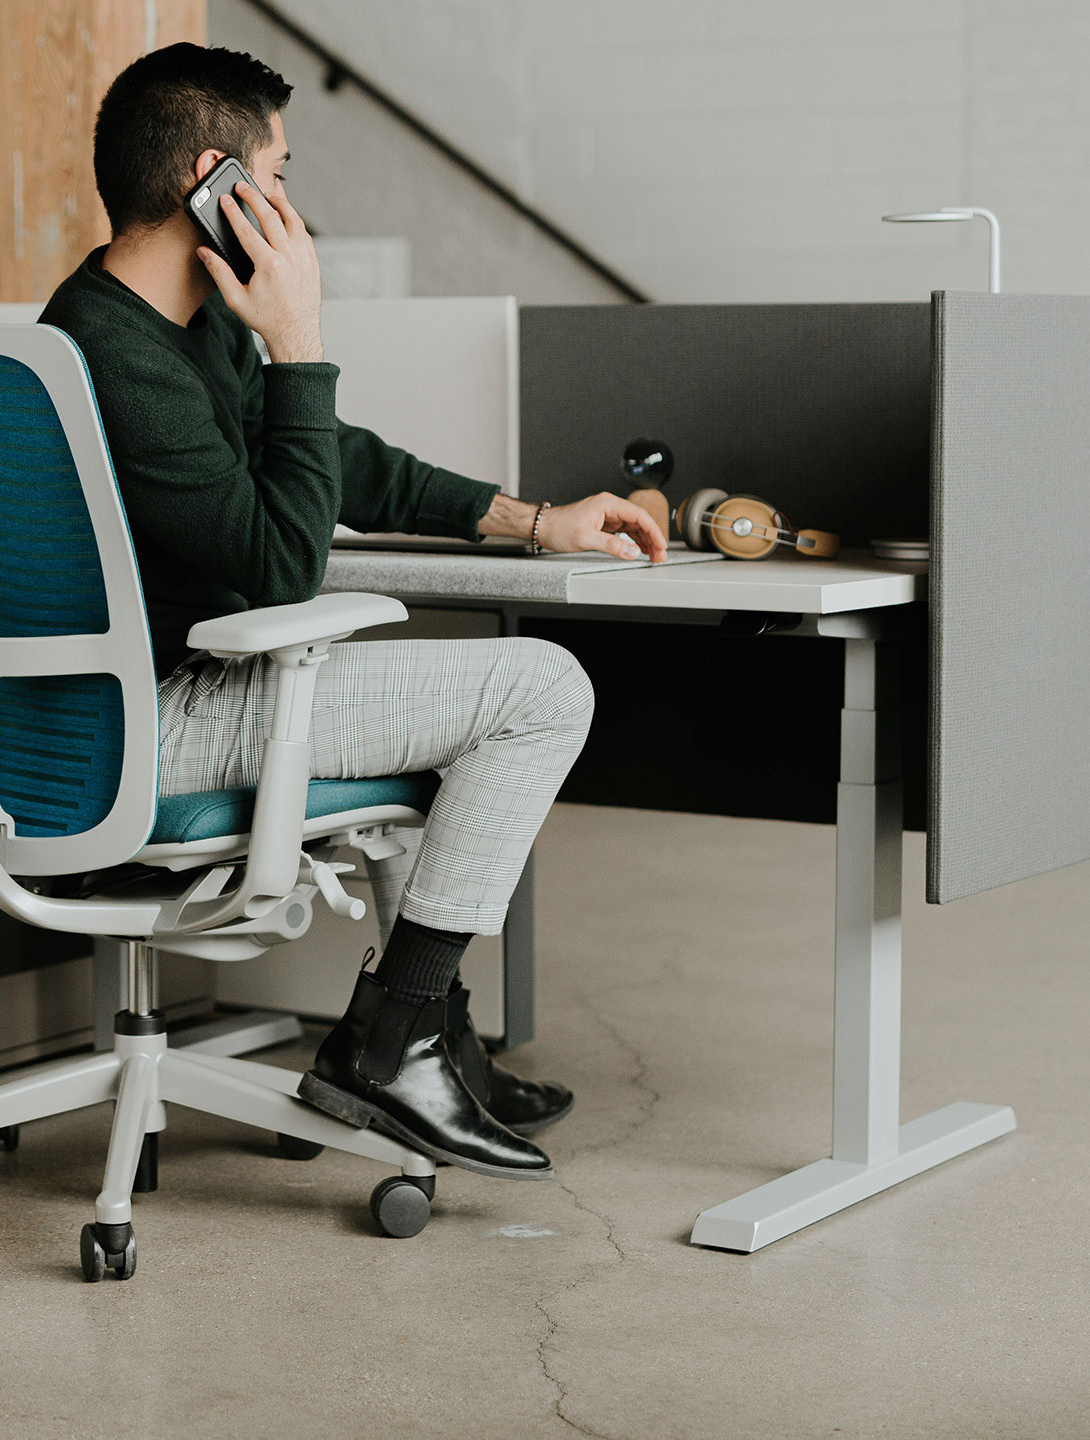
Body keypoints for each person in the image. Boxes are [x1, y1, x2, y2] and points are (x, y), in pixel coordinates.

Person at [38, 44, 668, 1182]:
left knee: (460, 733)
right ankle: (399, 1042)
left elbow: (330, 459)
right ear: (215, 183)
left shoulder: (173, 322)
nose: (290, 204)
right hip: (150, 721)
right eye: (277, 173)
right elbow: (285, 565)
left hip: (146, 698)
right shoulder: (110, 359)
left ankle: (440, 1043)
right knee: (540, 689)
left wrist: (535, 521)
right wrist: (300, 339)